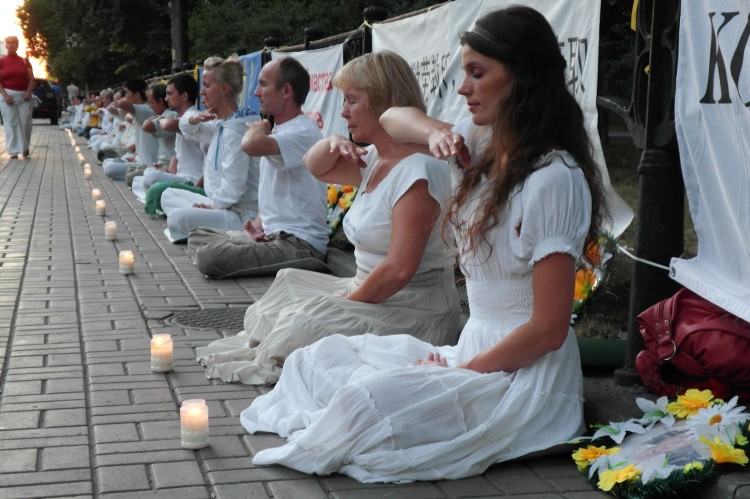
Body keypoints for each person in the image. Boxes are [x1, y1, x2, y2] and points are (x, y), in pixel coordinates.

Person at [240, 5, 608, 483]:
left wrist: (465, 369)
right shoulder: (478, 141)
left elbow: (547, 331)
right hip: (473, 350)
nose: (462, 87)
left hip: (524, 375)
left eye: (477, 73)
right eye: (463, 72)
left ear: (522, 77)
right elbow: (393, 118)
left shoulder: (554, 178)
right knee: (320, 358)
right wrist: (436, 131)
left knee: (363, 404)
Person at [194, 50, 460, 385]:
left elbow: (399, 270)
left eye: (351, 101)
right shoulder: (377, 156)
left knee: (304, 320)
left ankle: (286, 346)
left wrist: (345, 303)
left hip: (414, 308)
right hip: (366, 288)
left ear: (384, 102)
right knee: (287, 285)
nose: (345, 111)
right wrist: (331, 142)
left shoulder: (419, 170)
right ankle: (284, 338)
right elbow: (314, 166)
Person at [186, 57, 328, 278]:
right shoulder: (280, 131)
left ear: (286, 91)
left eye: (263, 84)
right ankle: (248, 247)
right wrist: (258, 224)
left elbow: (249, 144)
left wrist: (260, 126)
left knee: (209, 257)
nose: (255, 93)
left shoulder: (302, 130)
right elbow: (275, 192)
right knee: (197, 234)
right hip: (272, 236)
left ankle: (249, 253)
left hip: (299, 244)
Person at [160, 55, 260, 242]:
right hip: (219, 205)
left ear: (224, 89)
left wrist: (214, 205)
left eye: (206, 85)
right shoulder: (223, 123)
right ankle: (204, 232)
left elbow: (234, 188)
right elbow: (187, 130)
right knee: (168, 195)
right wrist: (193, 118)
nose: (202, 92)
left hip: (239, 214)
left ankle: (212, 234)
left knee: (177, 218)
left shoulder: (236, 130)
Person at [0, 36, 35, 159]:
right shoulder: (1, 61)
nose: (10, 45)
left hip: (23, 95)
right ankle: (13, 150)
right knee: (10, 122)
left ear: (17, 45)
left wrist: (28, 92)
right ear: (6, 45)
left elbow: (32, 78)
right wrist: (5, 95)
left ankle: (24, 147)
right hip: (7, 95)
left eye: (13, 43)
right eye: (8, 43)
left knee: (25, 122)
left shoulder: (24, 61)